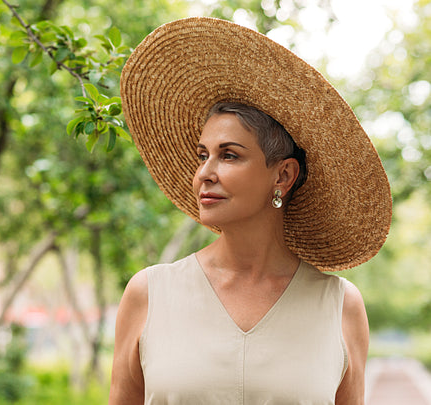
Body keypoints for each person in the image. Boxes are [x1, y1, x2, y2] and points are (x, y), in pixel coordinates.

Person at [109, 17, 392, 405]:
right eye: (202, 155)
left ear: (283, 175)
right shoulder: (149, 293)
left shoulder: (340, 306)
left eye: (229, 155)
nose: (205, 173)